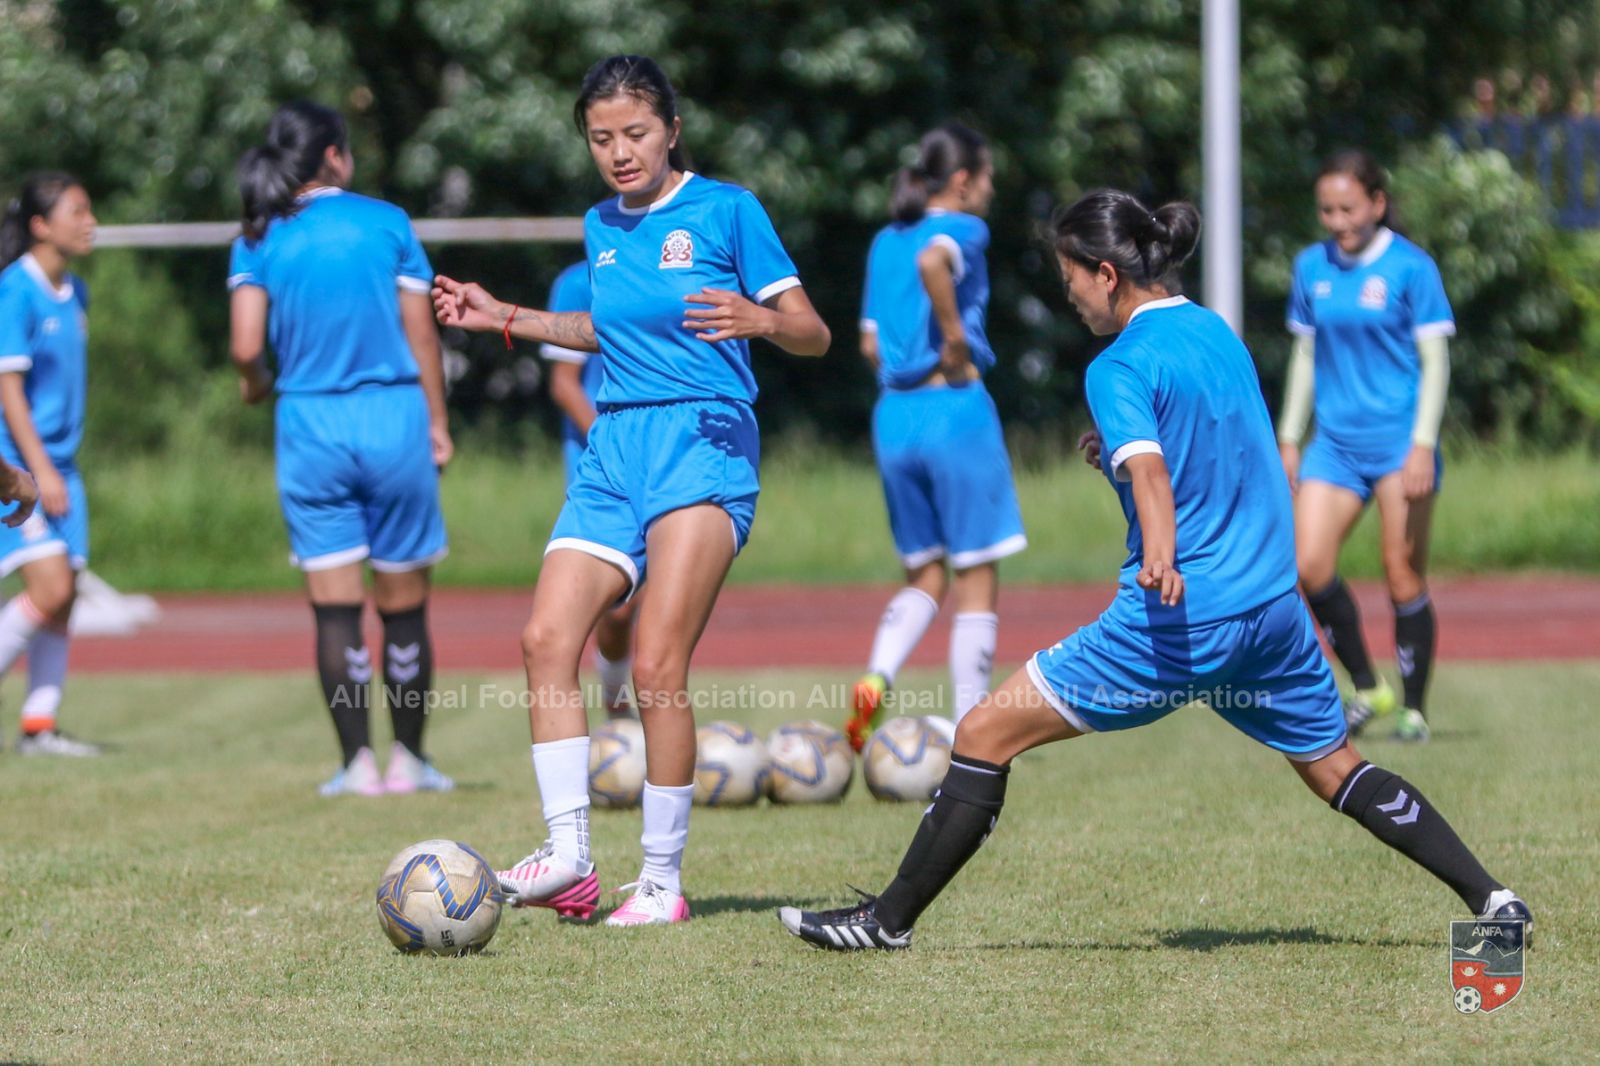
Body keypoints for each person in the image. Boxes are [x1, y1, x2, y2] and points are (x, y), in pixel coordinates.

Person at [778, 189, 1529, 951]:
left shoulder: (1119, 364)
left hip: (1181, 613)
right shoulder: (1214, 331)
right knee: (1336, 765)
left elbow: (1154, 478)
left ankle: (886, 923)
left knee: (982, 730)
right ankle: (1493, 898)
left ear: (1106, 273)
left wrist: (1162, 554)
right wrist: (1120, 464)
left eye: (1069, 277)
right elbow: (1219, 450)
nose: (1067, 294)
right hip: (1270, 610)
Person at [435, 54, 829, 926]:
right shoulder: (601, 224)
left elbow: (813, 332)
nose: (619, 152)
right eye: (601, 137)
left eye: (636, 133)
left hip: (702, 440)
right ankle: (569, 858)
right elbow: (601, 329)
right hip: (613, 447)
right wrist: (501, 314)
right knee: (545, 638)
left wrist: (763, 319)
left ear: (672, 130)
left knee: (654, 662)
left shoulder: (728, 210)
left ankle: (660, 882)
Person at [228, 101, 455, 796]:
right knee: (404, 605)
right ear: (334, 156)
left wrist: (259, 383)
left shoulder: (258, 234)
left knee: (334, 608)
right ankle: (408, 763)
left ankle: (356, 763)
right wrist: (437, 423)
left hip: (310, 426)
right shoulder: (386, 222)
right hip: (392, 419)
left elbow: (244, 348)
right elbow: (422, 336)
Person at [842, 123, 1026, 752]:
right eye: (988, 176)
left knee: (925, 574)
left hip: (894, 416)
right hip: (953, 408)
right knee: (975, 574)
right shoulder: (965, 229)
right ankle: (970, 726)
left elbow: (869, 342)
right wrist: (952, 337)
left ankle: (878, 673)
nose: (992, 188)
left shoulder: (883, 240)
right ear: (962, 181)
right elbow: (934, 263)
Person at [1279, 150, 1454, 743]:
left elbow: (1435, 360)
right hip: (1334, 445)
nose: (1337, 220)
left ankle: (1414, 709)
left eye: (1348, 208)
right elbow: (1305, 354)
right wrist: (1288, 436)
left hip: (1399, 445)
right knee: (1309, 566)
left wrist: (1423, 445)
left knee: (1401, 574)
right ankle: (1367, 686)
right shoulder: (1311, 268)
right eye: (1327, 209)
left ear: (1377, 204)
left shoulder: (1411, 269)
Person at [0, 173, 101, 756]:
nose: (91, 223)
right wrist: (39, 472)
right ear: (41, 225)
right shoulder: (17, 292)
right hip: (20, 471)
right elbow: (9, 393)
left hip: (64, 465)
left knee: (67, 594)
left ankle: (40, 726)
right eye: (78, 211)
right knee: (50, 586)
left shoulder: (77, 292)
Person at [540, 260, 636, 719]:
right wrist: (610, 444)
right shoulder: (576, 282)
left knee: (658, 607)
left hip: (664, 460)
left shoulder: (668, 275)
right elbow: (564, 385)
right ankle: (616, 706)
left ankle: (649, 723)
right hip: (600, 464)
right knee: (614, 608)